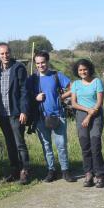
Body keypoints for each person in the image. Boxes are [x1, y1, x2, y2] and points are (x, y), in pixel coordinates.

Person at [27, 51, 75, 183]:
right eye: (37, 63)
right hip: (40, 118)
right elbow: (26, 96)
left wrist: (62, 97)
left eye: (43, 62)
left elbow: (73, 87)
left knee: (61, 145)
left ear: (47, 62)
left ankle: (65, 170)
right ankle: (51, 171)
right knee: (46, 146)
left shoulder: (56, 76)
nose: (40, 65)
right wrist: (35, 97)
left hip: (58, 116)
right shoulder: (32, 79)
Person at [0, 43, 30, 184]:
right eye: (2, 54)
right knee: (9, 143)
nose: (5, 56)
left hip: (16, 113)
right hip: (2, 114)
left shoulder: (18, 67)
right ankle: (14, 170)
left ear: (10, 52)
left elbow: (24, 91)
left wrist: (24, 111)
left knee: (19, 142)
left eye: (7, 53)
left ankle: (25, 170)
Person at [71, 59, 104, 188]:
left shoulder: (97, 82)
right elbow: (74, 103)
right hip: (81, 115)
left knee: (95, 146)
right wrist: (86, 111)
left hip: (96, 115)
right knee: (85, 147)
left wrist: (90, 115)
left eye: (85, 69)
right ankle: (88, 174)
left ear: (89, 69)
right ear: (77, 71)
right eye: (80, 70)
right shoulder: (75, 84)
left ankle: (100, 176)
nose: (83, 72)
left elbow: (99, 103)